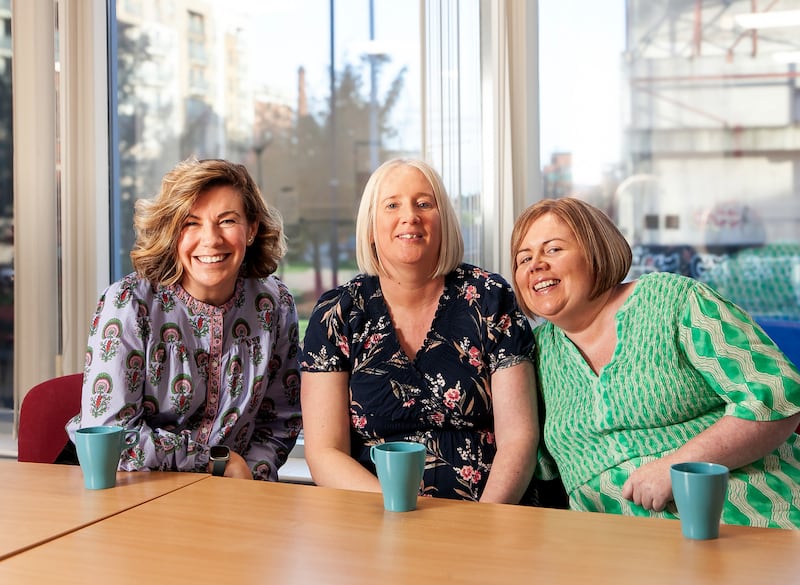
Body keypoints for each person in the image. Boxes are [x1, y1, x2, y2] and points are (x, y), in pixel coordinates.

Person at [511, 196, 800, 528]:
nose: (535, 265)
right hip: (617, 551)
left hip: (748, 519)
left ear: (597, 251)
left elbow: (778, 396)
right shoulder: (534, 355)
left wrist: (677, 465)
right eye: (523, 258)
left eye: (553, 250)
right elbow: (528, 460)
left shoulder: (674, 300)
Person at [300, 158, 538, 503]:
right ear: (370, 227)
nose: (409, 215)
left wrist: (487, 522)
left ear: (444, 222)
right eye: (392, 204)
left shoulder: (489, 298)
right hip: (373, 518)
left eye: (424, 203)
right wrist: (399, 511)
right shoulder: (337, 312)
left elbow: (519, 439)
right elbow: (324, 452)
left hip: (489, 516)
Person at [65, 158, 302, 480]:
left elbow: (280, 420)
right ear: (171, 231)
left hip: (234, 492)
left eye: (228, 221)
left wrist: (249, 479)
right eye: (191, 223)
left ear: (252, 229)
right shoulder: (129, 303)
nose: (211, 239)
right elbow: (110, 436)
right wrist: (216, 461)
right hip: (129, 486)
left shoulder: (275, 304)